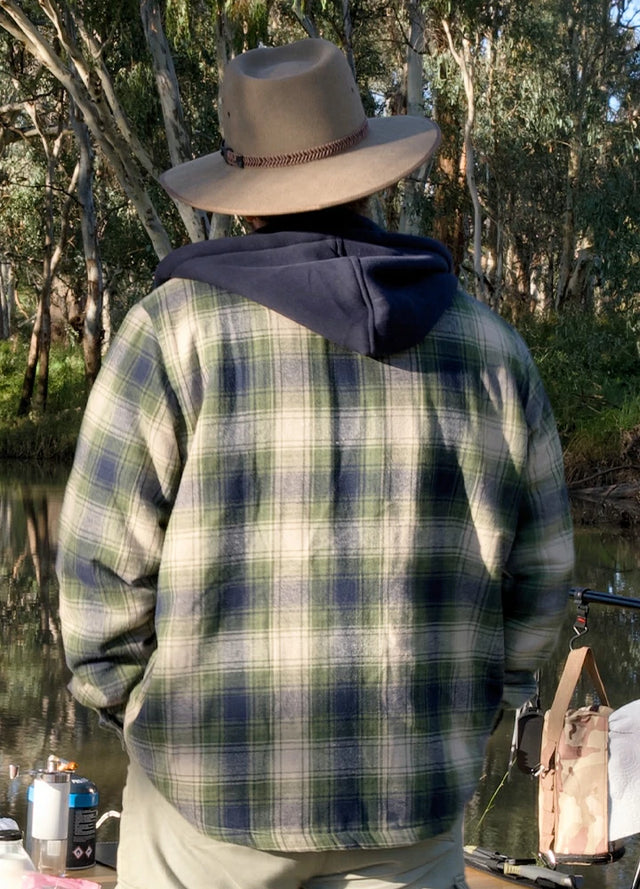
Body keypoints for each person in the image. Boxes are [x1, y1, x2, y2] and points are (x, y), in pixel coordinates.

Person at [57, 37, 574, 889]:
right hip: (409, 801)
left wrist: (150, 718)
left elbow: (96, 587)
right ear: (371, 175)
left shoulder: (171, 334)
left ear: (243, 195)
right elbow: (544, 575)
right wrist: (475, 709)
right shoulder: (490, 348)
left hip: (204, 807)